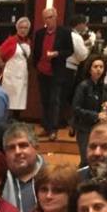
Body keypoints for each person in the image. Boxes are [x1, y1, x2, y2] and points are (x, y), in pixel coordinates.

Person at [33, 8, 73, 141]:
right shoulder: (39, 33)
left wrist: (57, 53)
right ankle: (45, 127)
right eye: (45, 18)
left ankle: (53, 129)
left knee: (54, 101)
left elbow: (70, 50)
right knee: (44, 101)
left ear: (56, 17)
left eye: (50, 17)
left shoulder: (65, 32)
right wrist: (37, 66)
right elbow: (36, 52)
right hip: (42, 71)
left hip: (56, 72)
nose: (48, 20)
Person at [1, 122, 45, 212]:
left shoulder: (51, 176)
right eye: (11, 148)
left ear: (36, 148)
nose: (17, 152)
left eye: (23, 145)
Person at [0, 17, 32, 119]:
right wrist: (3, 66)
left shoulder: (28, 42)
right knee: (9, 101)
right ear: (17, 28)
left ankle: (16, 121)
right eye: (21, 27)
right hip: (11, 77)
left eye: (25, 28)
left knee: (19, 102)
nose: (23, 30)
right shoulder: (12, 40)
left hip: (22, 76)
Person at [72, 55, 107, 167]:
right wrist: (96, 115)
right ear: (89, 69)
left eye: (101, 67)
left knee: (94, 160)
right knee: (86, 160)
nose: (98, 69)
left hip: (97, 129)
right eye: (95, 66)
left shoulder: (101, 86)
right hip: (84, 128)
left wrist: (106, 105)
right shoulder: (83, 86)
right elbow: (76, 109)